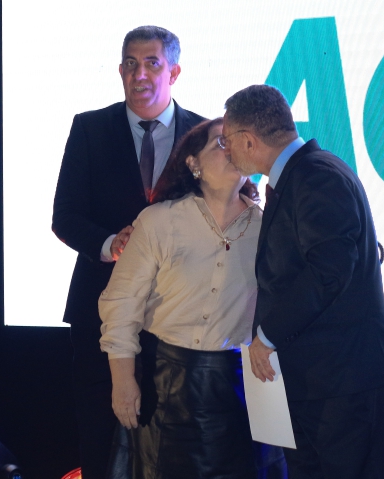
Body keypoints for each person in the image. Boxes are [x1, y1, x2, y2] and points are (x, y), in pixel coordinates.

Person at [220, 84, 384, 479]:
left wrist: (267, 336)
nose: (226, 151)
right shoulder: (299, 176)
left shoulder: (317, 176)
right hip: (320, 384)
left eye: (226, 140)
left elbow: (329, 271)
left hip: (346, 384)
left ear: (249, 140)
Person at [52, 26, 205, 479]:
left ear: (173, 72)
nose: (140, 74)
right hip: (99, 312)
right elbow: (65, 216)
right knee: (101, 439)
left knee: (171, 446)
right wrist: (108, 244)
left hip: (177, 316)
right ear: (120, 71)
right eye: (131, 64)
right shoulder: (89, 128)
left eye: (152, 63)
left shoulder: (204, 134)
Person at [99, 118, 264, 479]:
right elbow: (121, 304)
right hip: (165, 388)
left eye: (239, 142)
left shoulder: (266, 228)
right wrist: (123, 382)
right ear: (193, 163)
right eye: (221, 142)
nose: (232, 149)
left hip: (235, 392)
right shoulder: (160, 221)